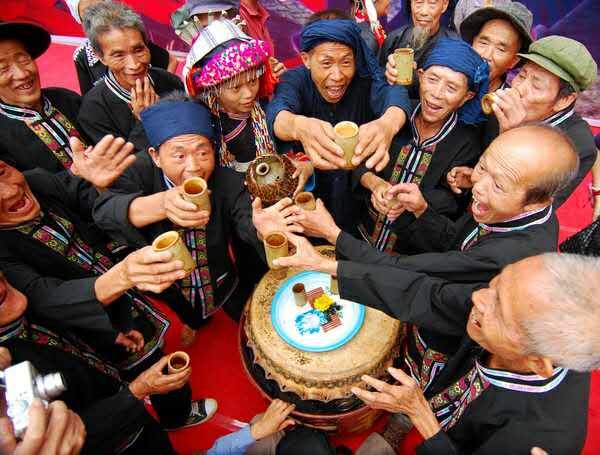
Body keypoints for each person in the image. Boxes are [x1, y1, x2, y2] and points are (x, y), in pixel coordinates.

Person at [275, 124, 578, 448]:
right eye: (483, 167)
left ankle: (407, 417)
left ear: (535, 201)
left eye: (499, 184)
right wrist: (420, 211)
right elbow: (455, 252)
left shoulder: (509, 260)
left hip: (450, 334)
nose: (478, 186)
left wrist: (333, 241)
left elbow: (421, 284)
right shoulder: (512, 212)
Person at [0, 159, 217, 432]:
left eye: (3, 172)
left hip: (121, 302)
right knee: (146, 371)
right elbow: (44, 297)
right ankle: (176, 417)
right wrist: (122, 279)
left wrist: (165, 203)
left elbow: (88, 197)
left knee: (151, 356)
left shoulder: (37, 180)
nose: (10, 191)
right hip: (92, 325)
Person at [93, 95, 300, 346]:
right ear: (156, 156)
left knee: (234, 302)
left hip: (218, 271)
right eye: (179, 156)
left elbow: (247, 218)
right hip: (168, 279)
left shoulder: (228, 181)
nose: (193, 167)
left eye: (203, 152)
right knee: (184, 307)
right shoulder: (138, 172)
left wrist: (262, 229)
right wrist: (161, 204)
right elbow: (104, 212)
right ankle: (193, 323)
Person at [351, 253, 596, 453]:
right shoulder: (520, 304)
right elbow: (432, 295)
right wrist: (338, 270)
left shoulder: (539, 440)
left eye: (500, 310)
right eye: (497, 282)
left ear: (538, 364)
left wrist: (421, 416)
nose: (478, 296)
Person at [0, 275, 185, 454]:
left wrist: (113, 335)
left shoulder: (24, 302)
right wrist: (138, 390)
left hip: (124, 401)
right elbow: (71, 438)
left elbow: (71, 327)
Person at [266, 18, 411, 234]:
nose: (337, 76)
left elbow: (393, 94)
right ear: (306, 59)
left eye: (345, 62)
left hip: (357, 200)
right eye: (326, 63)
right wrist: (298, 125)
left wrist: (388, 124)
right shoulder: (295, 80)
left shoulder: (365, 79)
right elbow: (278, 112)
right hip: (309, 201)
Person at [355, 38, 485, 254]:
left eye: (451, 87)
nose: (437, 93)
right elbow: (357, 161)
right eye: (432, 79)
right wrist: (374, 184)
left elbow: (452, 201)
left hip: (407, 257)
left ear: (466, 97)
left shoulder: (467, 143)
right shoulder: (395, 113)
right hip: (361, 239)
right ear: (420, 76)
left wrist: (415, 202)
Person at [449, 36, 598, 207]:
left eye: (536, 86)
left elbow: (530, 209)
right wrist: (477, 176)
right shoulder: (502, 107)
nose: (519, 89)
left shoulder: (576, 146)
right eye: (522, 75)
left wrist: (510, 136)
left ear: (565, 100)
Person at [0, 21, 134, 188]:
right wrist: (75, 174)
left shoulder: (66, 98)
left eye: (24, 60)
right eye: (3, 69)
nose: (22, 74)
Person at [78, 1, 183, 151]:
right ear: (101, 57)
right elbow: (125, 163)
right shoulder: (93, 111)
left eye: (138, 50)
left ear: (147, 46)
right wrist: (144, 120)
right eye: (118, 55)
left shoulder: (169, 81)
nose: (134, 64)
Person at [67, 0, 178, 95]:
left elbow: (171, 61)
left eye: (101, 8)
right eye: (88, 13)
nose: (134, 65)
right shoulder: (81, 56)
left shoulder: (133, 40)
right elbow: (88, 96)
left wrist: (163, 92)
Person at [379, 0, 456, 96]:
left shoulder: (454, 46)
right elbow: (378, 83)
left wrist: (417, 78)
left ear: (444, 5)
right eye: (418, 2)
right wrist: (388, 74)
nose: (423, 12)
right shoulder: (394, 39)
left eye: (432, 3)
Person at [458, 1, 532, 92]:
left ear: (513, 61)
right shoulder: (447, 80)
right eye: (483, 43)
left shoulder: (508, 100)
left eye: (500, 49)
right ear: (473, 42)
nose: (486, 55)